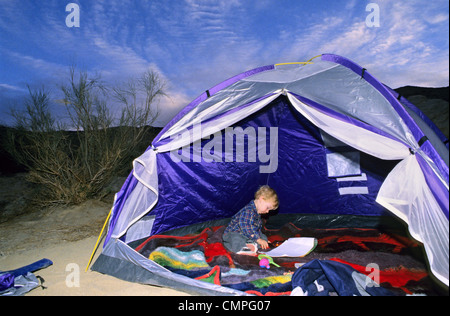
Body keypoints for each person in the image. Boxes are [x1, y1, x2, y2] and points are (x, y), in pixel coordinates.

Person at [223, 185, 279, 255]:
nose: (267, 211)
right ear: (261, 199)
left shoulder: (257, 214)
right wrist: (258, 239)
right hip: (234, 233)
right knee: (237, 239)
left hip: (247, 235)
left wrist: (263, 240)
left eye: (269, 210)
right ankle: (239, 249)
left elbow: (256, 229)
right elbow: (246, 227)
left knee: (261, 239)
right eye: (267, 208)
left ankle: (252, 246)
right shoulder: (248, 211)